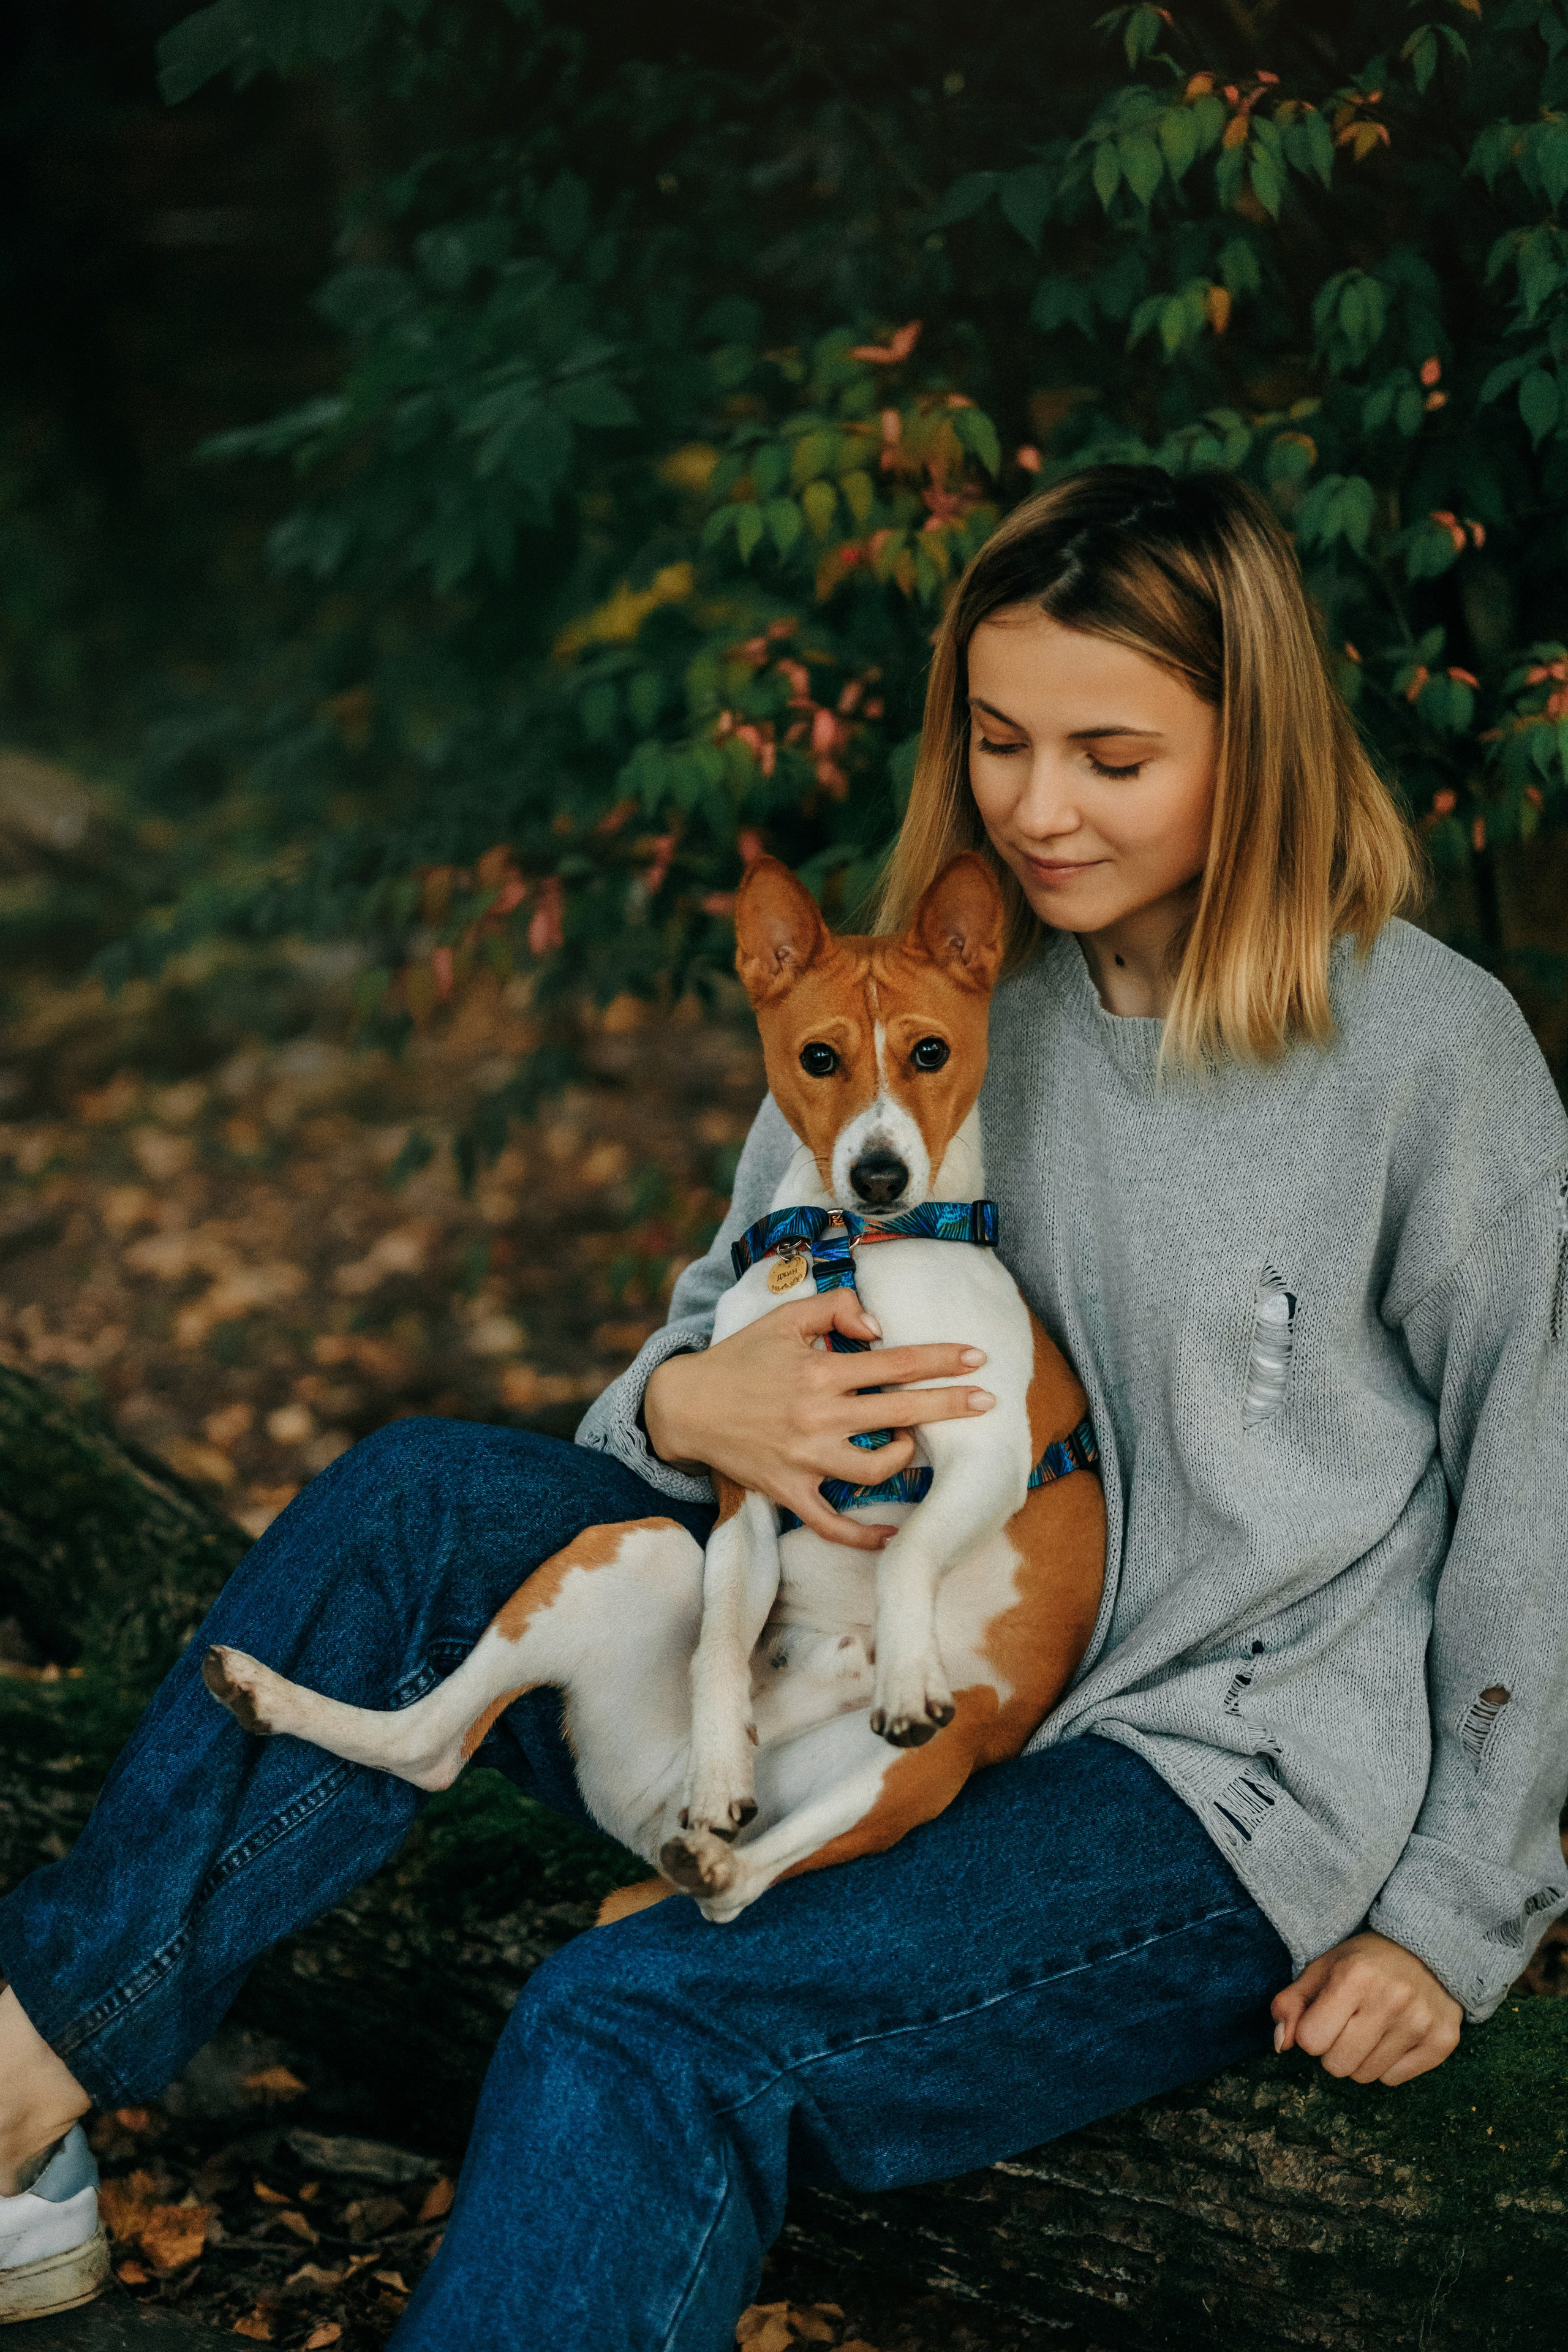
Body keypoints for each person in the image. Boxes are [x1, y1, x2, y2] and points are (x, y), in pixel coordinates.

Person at [2, 464, 1565, 2348]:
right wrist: (689, 1407)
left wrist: (1454, 1915)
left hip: (1186, 1785)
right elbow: (691, 1348)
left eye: (1112, 756)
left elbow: (1536, 1486)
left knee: (637, 2013)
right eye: (998, 741)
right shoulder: (907, 995)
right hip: (814, 1656)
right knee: (418, 1500)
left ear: (1261, 748)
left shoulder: (1423, 1056)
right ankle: (24, 2092)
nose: (1039, 809)